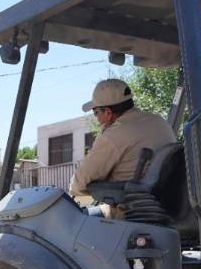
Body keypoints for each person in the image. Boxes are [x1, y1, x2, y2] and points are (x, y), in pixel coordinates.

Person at [70, 79, 175, 215]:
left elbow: (80, 182)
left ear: (108, 113)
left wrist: (74, 190)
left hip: (130, 212)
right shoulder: (160, 121)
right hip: (166, 208)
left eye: (96, 112)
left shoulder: (113, 135)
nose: (97, 118)